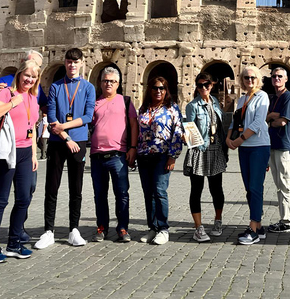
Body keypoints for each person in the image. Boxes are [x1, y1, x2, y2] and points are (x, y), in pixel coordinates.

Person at [0, 58, 41, 263]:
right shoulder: (8, 92)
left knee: (23, 198)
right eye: (27, 75)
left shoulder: (32, 98)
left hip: (24, 151)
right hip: (6, 151)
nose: (29, 80)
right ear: (19, 74)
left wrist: (33, 154)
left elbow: (31, 129)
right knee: (0, 200)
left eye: (33, 77)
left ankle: (14, 242)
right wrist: (12, 103)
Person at [35, 48, 96, 249]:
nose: (72, 65)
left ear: (81, 63)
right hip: (58, 142)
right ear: (65, 62)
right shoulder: (56, 86)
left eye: (75, 62)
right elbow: (51, 116)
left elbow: (88, 116)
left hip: (77, 141)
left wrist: (65, 127)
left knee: (76, 188)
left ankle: (74, 229)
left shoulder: (88, 87)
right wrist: (65, 136)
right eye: (69, 61)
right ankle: (48, 231)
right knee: (51, 187)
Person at [89, 67, 137, 243]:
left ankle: (122, 227)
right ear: (100, 82)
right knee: (99, 195)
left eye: (112, 81)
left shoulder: (125, 101)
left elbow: (134, 125)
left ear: (118, 84)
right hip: (97, 155)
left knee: (122, 193)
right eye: (105, 80)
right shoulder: (94, 102)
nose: (108, 83)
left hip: (118, 155)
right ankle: (101, 227)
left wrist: (133, 148)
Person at [136, 76, 184, 245]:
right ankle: (152, 227)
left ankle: (163, 228)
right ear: (150, 89)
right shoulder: (143, 108)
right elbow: (138, 132)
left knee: (160, 191)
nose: (158, 91)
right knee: (148, 192)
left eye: (162, 88)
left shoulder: (172, 108)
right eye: (155, 88)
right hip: (143, 155)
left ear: (166, 91)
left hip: (162, 155)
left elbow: (178, 133)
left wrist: (173, 156)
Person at [227, 65, 271, 245]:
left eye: (253, 78)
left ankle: (252, 228)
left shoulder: (262, 96)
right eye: (246, 78)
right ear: (242, 81)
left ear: (258, 79)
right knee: (249, 188)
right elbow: (235, 121)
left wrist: (240, 139)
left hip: (259, 145)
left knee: (255, 187)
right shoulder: (241, 100)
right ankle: (259, 226)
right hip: (244, 147)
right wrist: (229, 138)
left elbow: (259, 121)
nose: (250, 80)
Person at [184, 73, 227, 242]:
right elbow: (190, 130)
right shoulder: (192, 106)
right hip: (199, 150)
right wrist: (197, 146)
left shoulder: (215, 102)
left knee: (217, 189)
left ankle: (218, 220)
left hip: (216, 149)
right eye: (200, 85)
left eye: (206, 84)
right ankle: (198, 227)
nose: (203, 88)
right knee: (197, 189)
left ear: (212, 85)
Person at [266, 67, 290, 234]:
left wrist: (270, 120)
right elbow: (268, 115)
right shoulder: (273, 98)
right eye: (274, 76)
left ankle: (289, 220)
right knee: (279, 184)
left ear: (286, 79)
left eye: (280, 76)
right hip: (273, 144)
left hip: (283, 144)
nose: (276, 79)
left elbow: (283, 121)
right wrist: (271, 116)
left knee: (285, 183)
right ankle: (284, 218)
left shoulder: (288, 96)